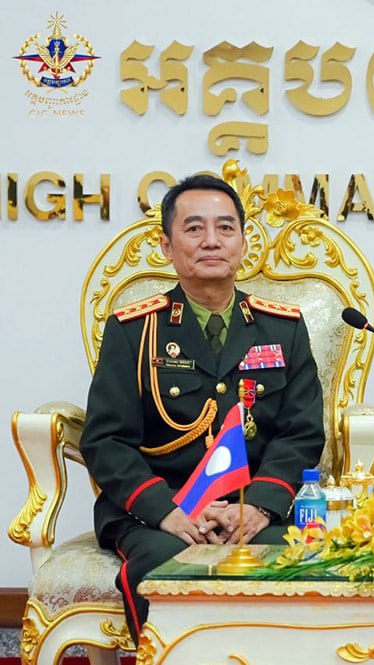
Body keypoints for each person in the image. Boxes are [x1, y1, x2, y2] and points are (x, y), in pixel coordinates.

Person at [79, 174, 326, 642]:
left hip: (250, 508)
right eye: (194, 228)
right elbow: (106, 440)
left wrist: (259, 507)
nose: (212, 240)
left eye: (225, 228)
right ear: (167, 247)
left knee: (300, 561)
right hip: (159, 511)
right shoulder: (134, 330)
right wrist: (168, 509)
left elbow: (301, 432)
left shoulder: (283, 328)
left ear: (243, 243)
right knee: (161, 566)